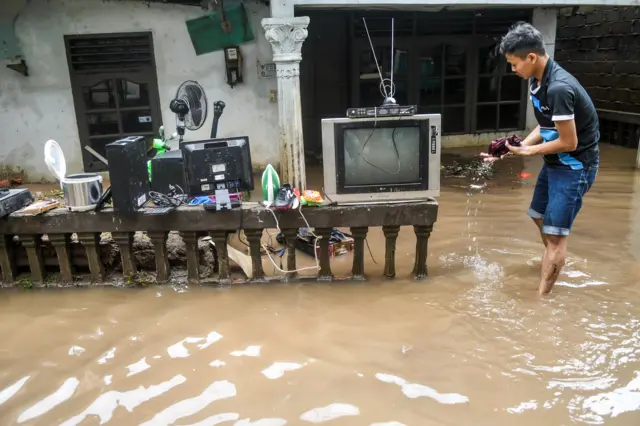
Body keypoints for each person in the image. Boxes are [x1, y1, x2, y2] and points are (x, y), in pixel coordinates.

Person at [481, 22, 600, 295]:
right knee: (538, 216)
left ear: (531, 57)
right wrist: (518, 146)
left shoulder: (559, 87)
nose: (513, 70)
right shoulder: (537, 81)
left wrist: (529, 152)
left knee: (556, 236)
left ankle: (541, 301)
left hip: (574, 166)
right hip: (556, 161)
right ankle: (554, 258)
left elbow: (570, 141)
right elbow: (546, 126)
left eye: (514, 64)